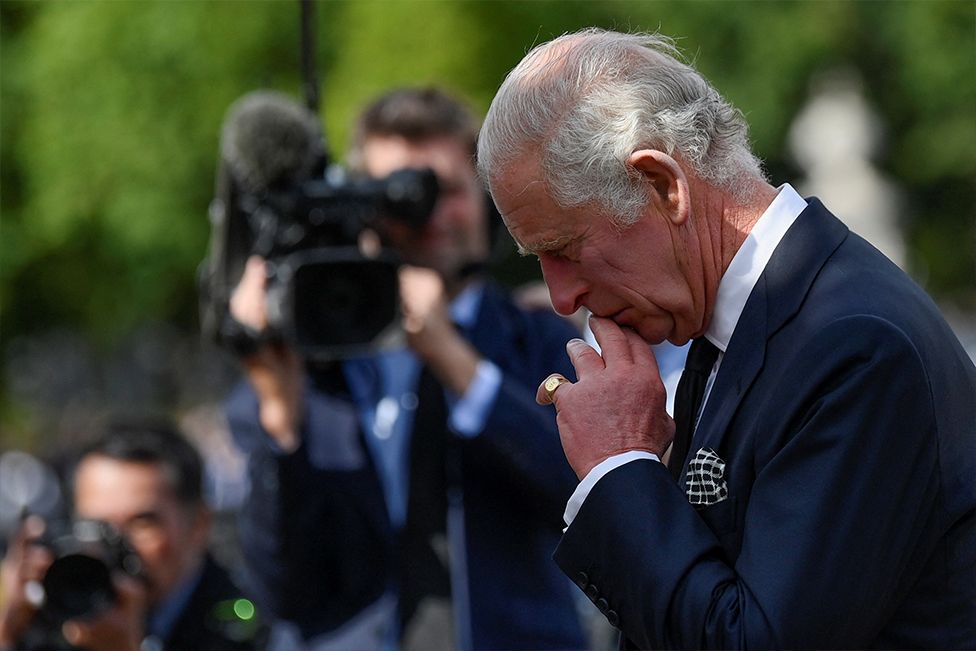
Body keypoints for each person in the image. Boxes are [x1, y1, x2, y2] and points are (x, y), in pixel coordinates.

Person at [478, 27, 976, 650]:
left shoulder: (853, 344)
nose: (560, 297)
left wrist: (619, 467)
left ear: (662, 185)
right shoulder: (747, 323)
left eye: (566, 249)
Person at [224, 87, 586, 650]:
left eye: (445, 190)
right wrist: (280, 412)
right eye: (397, 195)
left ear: (487, 201)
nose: (429, 216)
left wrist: (455, 361)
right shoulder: (313, 364)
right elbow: (283, 590)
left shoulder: (539, 340)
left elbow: (581, 502)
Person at [0, 419, 268, 651]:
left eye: (141, 523)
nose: (116, 545)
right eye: (96, 527)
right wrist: (8, 632)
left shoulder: (245, 621)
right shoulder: (62, 611)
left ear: (199, 525)